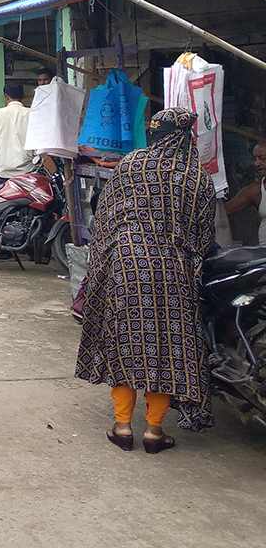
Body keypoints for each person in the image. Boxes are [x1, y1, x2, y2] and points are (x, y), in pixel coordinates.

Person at [77, 108, 217, 452]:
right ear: (186, 136)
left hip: (124, 265)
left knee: (125, 344)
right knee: (166, 351)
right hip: (172, 270)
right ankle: (154, 431)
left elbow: (105, 216)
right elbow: (204, 236)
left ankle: (122, 426)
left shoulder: (129, 164)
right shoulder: (196, 177)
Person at [0, 83, 36, 181]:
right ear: (22, 96)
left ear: (6, 96)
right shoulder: (31, 114)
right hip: (26, 171)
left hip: (2, 173)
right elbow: (37, 143)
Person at [223, 142, 266, 244]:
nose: (257, 163)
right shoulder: (256, 191)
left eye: (262, 158)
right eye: (255, 159)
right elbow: (223, 213)